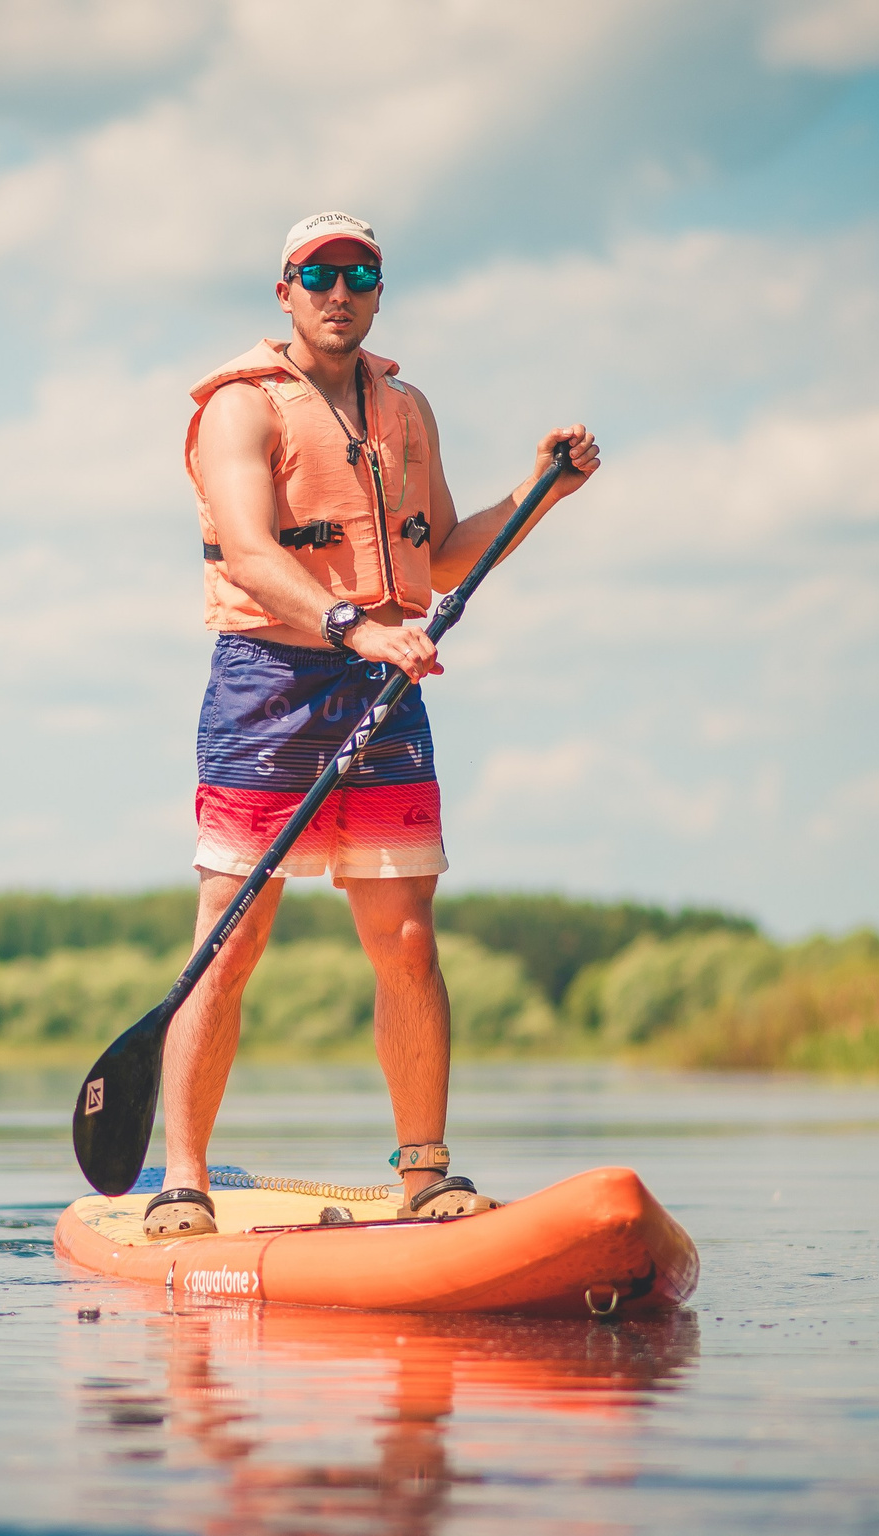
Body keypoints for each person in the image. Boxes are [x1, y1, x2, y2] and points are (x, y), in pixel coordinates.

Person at [143, 210, 600, 1240]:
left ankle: (425, 1173)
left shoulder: (406, 409)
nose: (337, 291)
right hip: (270, 679)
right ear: (285, 292)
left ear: (379, 291)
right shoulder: (240, 410)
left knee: (404, 937)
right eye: (317, 274)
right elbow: (256, 554)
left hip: (381, 683)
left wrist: (542, 493)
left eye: (358, 274)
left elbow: (436, 556)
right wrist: (354, 624)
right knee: (228, 939)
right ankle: (181, 1179)